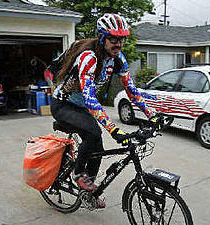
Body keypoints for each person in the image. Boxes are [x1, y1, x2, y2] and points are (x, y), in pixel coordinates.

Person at [51, 13, 162, 207]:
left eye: (122, 39)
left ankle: (89, 192)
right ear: (102, 38)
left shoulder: (118, 59)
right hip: (64, 105)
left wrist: (152, 114)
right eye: (113, 39)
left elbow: (132, 92)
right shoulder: (89, 58)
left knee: (98, 148)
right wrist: (114, 129)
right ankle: (78, 172)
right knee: (93, 133)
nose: (118, 44)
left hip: (82, 108)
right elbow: (90, 98)